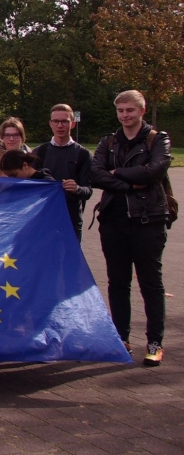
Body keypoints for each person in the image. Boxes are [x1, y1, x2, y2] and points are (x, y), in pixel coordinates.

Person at [91, 90, 171, 366]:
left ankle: (154, 342)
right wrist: (130, 184)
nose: (125, 115)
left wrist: (116, 174)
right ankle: (121, 338)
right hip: (113, 221)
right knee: (117, 282)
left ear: (142, 111)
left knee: (151, 283)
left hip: (148, 220)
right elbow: (95, 174)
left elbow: (154, 172)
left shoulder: (157, 139)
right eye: (121, 111)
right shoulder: (108, 142)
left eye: (130, 110)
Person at [32, 104, 93, 241]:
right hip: (43, 218)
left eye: (64, 121)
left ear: (72, 124)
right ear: (50, 124)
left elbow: (88, 191)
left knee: (70, 255)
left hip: (71, 219)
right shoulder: (39, 152)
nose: (60, 125)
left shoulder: (83, 154)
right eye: (56, 121)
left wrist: (77, 189)